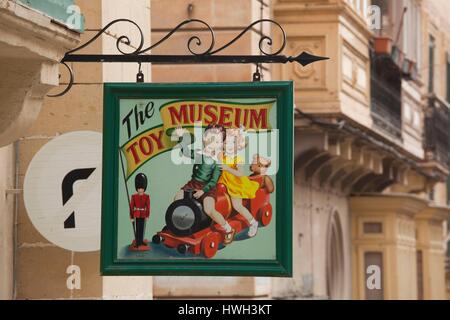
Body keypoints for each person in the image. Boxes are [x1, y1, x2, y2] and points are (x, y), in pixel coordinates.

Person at [173, 124, 236, 245]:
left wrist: (203, 191)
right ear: (204, 138)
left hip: (208, 188)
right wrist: (182, 138)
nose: (213, 143)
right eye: (211, 139)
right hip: (192, 184)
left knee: (208, 209)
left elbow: (214, 181)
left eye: (217, 141)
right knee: (177, 199)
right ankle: (182, 224)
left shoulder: (218, 161)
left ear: (221, 144)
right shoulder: (199, 154)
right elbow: (185, 151)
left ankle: (228, 229)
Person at [218, 127, 260, 238]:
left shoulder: (238, 158)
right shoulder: (222, 155)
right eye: (225, 143)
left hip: (235, 184)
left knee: (237, 206)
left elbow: (240, 174)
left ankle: (253, 222)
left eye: (231, 143)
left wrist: (227, 168)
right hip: (222, 182)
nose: (227, 146)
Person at [129, 173, 150, 250]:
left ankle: (141, 241)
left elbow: (148, 207)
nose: (140, 190)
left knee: (142, 228)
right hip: (137, 214)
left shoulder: (146, 196)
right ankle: (137, 242)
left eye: (142, 188)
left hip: (143, 214)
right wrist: (131, 216)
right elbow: (131, 207)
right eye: (139, 188)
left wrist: (147, 215)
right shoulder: (134, 196)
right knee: (137, 228)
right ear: (137, 188)